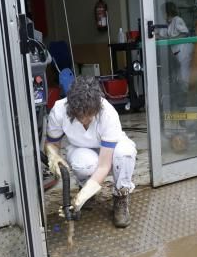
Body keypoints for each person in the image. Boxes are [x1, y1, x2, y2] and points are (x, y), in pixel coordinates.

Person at [44, 76, 136, 228]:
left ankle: (121, 197)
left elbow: (103, 165)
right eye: (80, 115)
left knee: (125, 154)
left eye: (89, 115)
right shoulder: (59, 110)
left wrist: (83, 195)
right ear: (71, 106)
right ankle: (86, 186)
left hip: (111, 150)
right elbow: (52, 144)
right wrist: (53, 156)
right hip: (81, 148)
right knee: (82, 164)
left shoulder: (108, 113)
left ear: (97, 107)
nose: (84, 120)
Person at [160, 2, 193, 90]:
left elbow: (185, 33)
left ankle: (187, 95)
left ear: (167, 12)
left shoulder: (177, 20)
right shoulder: (168, 23)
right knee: (180, 75)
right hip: (178, 54)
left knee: (184, 76)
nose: (162, 15)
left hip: (185, 52)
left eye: (163, 12)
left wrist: (173, 39)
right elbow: (162, 35)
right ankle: (184, 93)